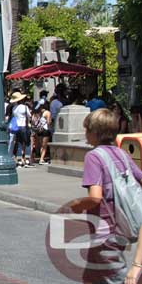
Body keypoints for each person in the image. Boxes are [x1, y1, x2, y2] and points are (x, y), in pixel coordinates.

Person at [67, 109, 142, 283]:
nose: (85, 134)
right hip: (122, 223)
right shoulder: (121, 153)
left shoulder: (93, 156)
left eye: (86, 130)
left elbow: (95, 197)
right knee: (92, 275)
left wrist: (77, 204)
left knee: (115, 276)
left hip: (106, 228)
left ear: (95, 132)